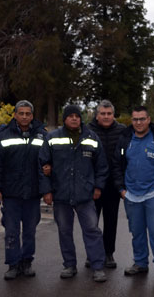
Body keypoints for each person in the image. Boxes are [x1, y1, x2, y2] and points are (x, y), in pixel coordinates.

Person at [39, 105, 109, 283]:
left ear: (81, 118)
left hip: (85, 195)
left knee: (92, 230)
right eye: (70, 116)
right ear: (64, 119)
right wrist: (46, 190)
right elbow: (43, 165)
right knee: (64, 231)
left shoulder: (92, 138)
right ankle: (69, 265)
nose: (74, 119)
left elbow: (101, 166)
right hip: (61, 194)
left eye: (77, 116)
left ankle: (98, 266)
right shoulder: (52, 138)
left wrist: (98, 187)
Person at [112, 106, 154, 282]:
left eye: (142, 119)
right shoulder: (125, 139)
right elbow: (116, 166)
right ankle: (140, 263)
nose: (139, 122)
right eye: (135, 119)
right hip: (132, 195)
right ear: (132, 121)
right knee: (137, 232)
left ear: (149, 119)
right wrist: (122, 190)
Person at [0, 100, 47, 280]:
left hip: (33, 193)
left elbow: (46, 163)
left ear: (32, 115)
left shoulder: (42, 136)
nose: (25, 117)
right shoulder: (3, 135)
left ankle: (27, 262)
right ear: (15, 115)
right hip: (11, 193)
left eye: (28, 113)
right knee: (11, 230)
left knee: (30, 230)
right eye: (21, 113)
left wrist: (46, 188)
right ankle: (13, 264)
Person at [87, 100, 126, 269]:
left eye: (109, 113)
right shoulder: (87, 131)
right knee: (91, 223)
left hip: (113, 185)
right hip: (92, 185)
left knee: (111, 221)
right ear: (97, 115)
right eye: (103, 113)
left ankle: (109, 253)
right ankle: (92, 254)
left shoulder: (122, 131)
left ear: (113, 115)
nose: (106, 116)